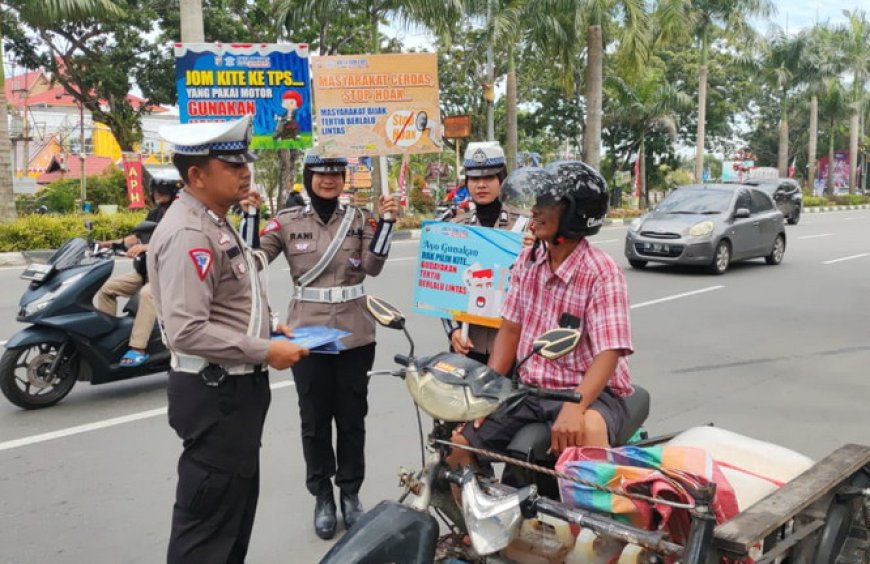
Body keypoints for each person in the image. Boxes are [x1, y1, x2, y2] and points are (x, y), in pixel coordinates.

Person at [148, 115, 309, 564]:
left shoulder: (214, 220)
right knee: (208, 531)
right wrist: (265, 349)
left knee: (231, 519)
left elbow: (229, 298)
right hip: (215, 393)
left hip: (233, 390)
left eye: (245, 163)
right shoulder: (190, 233)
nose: (245, 173)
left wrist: (267, 327)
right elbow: (187, 329)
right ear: (196, 175)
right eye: (232, 165)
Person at [447, 160, 634, 472]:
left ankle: (592, 506)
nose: (535, 210)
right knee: (459, 445)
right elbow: (510, 330)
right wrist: (487, 390)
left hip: (591, 390)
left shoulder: (601, 272)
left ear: (574, 214)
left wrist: (576, 404)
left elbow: (609, 352)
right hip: (531, 390)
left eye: (547, 203)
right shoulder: (528, 260)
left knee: (588, 432)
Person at [253, 151, 398, 540]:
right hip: (308, 337)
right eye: (321, 173)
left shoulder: (360, 219)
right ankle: (322, 496)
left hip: (354, 334)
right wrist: (250, 216)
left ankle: (350, 493)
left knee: (351, 419)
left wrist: (386, 223)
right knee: (315, 421)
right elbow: (253, 261)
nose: (329, 179)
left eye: (336, 173)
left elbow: (373, 267)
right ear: (308, 177)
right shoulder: (287, 221)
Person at [443, 141, 529, 366]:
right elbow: (443, 288)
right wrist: (453, 331)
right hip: (468, 342)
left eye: (489, 177)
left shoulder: (526, 226)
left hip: (515, 344)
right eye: (474, 178)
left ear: (502, 179)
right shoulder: (455, 228)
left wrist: (536, 253)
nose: (481, 184)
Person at [94, 175, 179, 366]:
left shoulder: (180, 215)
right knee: (107, 289)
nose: (158, 195)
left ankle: (137, 349)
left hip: (168, 275)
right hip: (146, 271)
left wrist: (146, 247)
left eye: (162, 191)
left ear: (173, 192)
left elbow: (173, 241)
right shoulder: (155, 213)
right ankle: (110, 338)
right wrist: (106, 244)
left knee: (148, 294)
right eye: (155, 192)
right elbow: (135, 238)